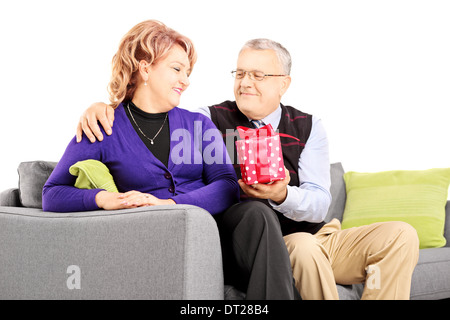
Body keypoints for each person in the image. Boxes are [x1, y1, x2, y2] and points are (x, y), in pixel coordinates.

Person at [76, 38, 420, 300]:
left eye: (258, 75)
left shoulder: (309, 126)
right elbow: (155, 111)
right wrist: (105, 106)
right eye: (240, 73)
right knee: (302, 246)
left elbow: (319, 202)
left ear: (283, 83)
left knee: (400, 235)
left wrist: (283, 194)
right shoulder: (209, 120)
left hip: (321, 238)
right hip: (271, 246)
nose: (245, 82)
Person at [42, 20, 239, 216]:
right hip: (147, 235)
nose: (186, 81)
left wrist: (169, 203)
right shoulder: (103, 126)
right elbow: (52, 194)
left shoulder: (199, 125)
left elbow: (228, 186)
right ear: (145, 69)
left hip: (204, 229)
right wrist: (103, 199)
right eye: (177, 69)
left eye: (187, 73)